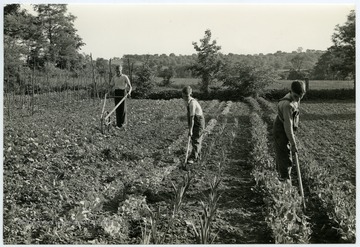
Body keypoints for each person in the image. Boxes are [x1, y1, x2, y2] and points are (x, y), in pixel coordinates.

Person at [273, 80, 306, 182]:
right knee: (285, 156)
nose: (298, 99)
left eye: (300, 97)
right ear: (291, 91)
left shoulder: (296, 98)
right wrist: (293, 143)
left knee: (284, 154)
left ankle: (281, 178)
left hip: (286, 127)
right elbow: (288, 125)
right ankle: (284, 180)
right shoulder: (287, 104)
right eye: (296, 96)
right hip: (280, 129)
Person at [182, 86, 205, 165]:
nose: (186, 97)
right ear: (183, 95)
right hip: (194, 119)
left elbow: (192, 117)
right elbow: (189, 116)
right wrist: (189, 127)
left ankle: (193, 158)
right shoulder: (186, 101)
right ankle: (197, 156)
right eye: (185, 96)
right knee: (194, 138)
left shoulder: (192, 103)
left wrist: (190, 130)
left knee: (196, 138)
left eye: (187, 96)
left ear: (190, 94)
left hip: (198, 121)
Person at [110, 65, 132, 129]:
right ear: (115, 71)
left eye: (119, 70)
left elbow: (130, 86)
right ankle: (118, 124)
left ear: (121, 70)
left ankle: (123, 124)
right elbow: (111, 85)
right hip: (116, 93)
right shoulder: (114, 77)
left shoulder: (125, 77)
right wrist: (108, 92)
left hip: (123, 93)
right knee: (117, 108)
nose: (118, 72)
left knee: (123, 109)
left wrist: (129, 92)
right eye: (117, 71)